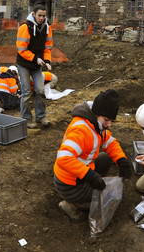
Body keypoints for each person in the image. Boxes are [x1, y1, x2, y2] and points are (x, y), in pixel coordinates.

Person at [54, 90, 132, 219]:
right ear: (96, 114)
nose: (109, 124)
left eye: (111, 120)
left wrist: (121, 160)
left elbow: (109, 142)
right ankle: (72, 205)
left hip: (77, 175)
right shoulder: (81, 130)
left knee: (106, 158)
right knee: (109, 196)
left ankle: (89, 188)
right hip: (70, 185)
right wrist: (90, 175)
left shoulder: (95, 124)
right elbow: (63, 158)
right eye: (107, 120)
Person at [16, 3, 53, 128]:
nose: (42, 18)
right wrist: (35, 58)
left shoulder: (47, 28)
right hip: (24, 64)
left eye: (44, 16)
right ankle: (26, 119)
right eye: (39, 15)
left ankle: (41, 117)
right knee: (26, 92)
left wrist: (47, 61)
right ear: (33, 14)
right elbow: (21, 49)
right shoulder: (25, 27)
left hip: (37, 64)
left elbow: (47, 48)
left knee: (41, 90)